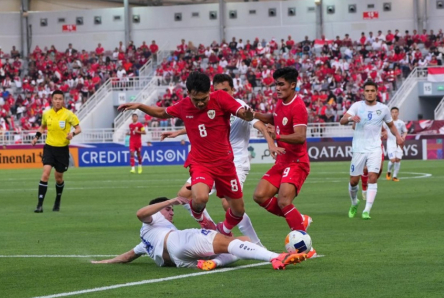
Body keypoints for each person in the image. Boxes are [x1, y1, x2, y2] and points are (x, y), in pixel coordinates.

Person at [118, 72, 254, 237]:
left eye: (204, 98)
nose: (201, 103)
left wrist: (245, 115)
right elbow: (161, 113)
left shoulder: (220, 98)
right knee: (200, 198)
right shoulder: (184, 105)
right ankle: (199, 214)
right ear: (188, 93)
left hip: (225, 164)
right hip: (201, 163)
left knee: (238, 211)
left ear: (210, 91)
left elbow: (240, 111)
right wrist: (140, 106)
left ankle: (222, 230)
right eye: (196, 100)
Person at [161, 74, 275, 245]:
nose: (222, 93)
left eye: (226, 90)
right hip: (212, 159)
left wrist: (271, 143)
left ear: (233, 90)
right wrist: (179, 132)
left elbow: (259, 124)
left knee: (227, 203)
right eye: (219, 90)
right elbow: (203, 125)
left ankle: (256, 244)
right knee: (184, 195)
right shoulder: (213, 103)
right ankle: (212, 229)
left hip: (235, 161)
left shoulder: (240, 107)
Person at [91, 197, 307, 271]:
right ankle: (275, 257)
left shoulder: (146, 239)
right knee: (226, 242)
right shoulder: (153, 220)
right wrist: (169, 201)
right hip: (178, 242)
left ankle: (216, 263)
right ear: (158, 210)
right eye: (168, 210)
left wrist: (104, 262)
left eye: (172, 210)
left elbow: (128, 256)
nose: (171, 212)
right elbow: (140, 213)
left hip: (180, 261)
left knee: (243, 241)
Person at [252, 67, 312, 232]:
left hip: (296, 162)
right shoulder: (281, 102)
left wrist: (277, 136)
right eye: (275, 84)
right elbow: (275, 117)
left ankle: (303, 243)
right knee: (260, 196)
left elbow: (300, 136)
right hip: (282, 161)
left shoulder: (298, 106)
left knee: (283, 201)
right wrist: (255, 115)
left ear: (292, 85)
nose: (277, 88)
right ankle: (299, 220)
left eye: (281, 84)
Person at [340, 81, 404, 220]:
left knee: (373, 177)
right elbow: (342, 120)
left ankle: (366, 210)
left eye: (372, 91)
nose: (369, 93)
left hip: (375, 148)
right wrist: (351, 118)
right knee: (353, 181)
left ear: (376, 92)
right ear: (364, 92)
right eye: (367, 90)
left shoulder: (383, 108)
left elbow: (391, 125)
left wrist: (398, 136)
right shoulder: (357, 106)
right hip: (359, 148)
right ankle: (354, 202)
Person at [31, 90, 81, 212]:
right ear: (52, 100)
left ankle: (57, 200)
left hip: (62, 149)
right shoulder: (46, 114)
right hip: (49, 147)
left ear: (63, 100)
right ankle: (39, 205)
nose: (58, 101)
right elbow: (43, 126)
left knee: (58, 178)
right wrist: (36, 137)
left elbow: (78, 128)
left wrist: (72, 134)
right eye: (56, 99)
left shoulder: (69, 114)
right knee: (45, 173)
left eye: (60, 99)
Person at [385, 107, 408, 182]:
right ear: (391, 113)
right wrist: (383, 134)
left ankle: (394, 176)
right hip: (390, 143)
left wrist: (403, 137)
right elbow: (382, 130)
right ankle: (389, 171)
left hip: (399, 143)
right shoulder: (387, 122)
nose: (394, 114)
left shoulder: (401, 123)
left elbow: (405, 131)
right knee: (392, 160)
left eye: (396, 112)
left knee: (398, 160)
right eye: (393, 112)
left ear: (398, 113)